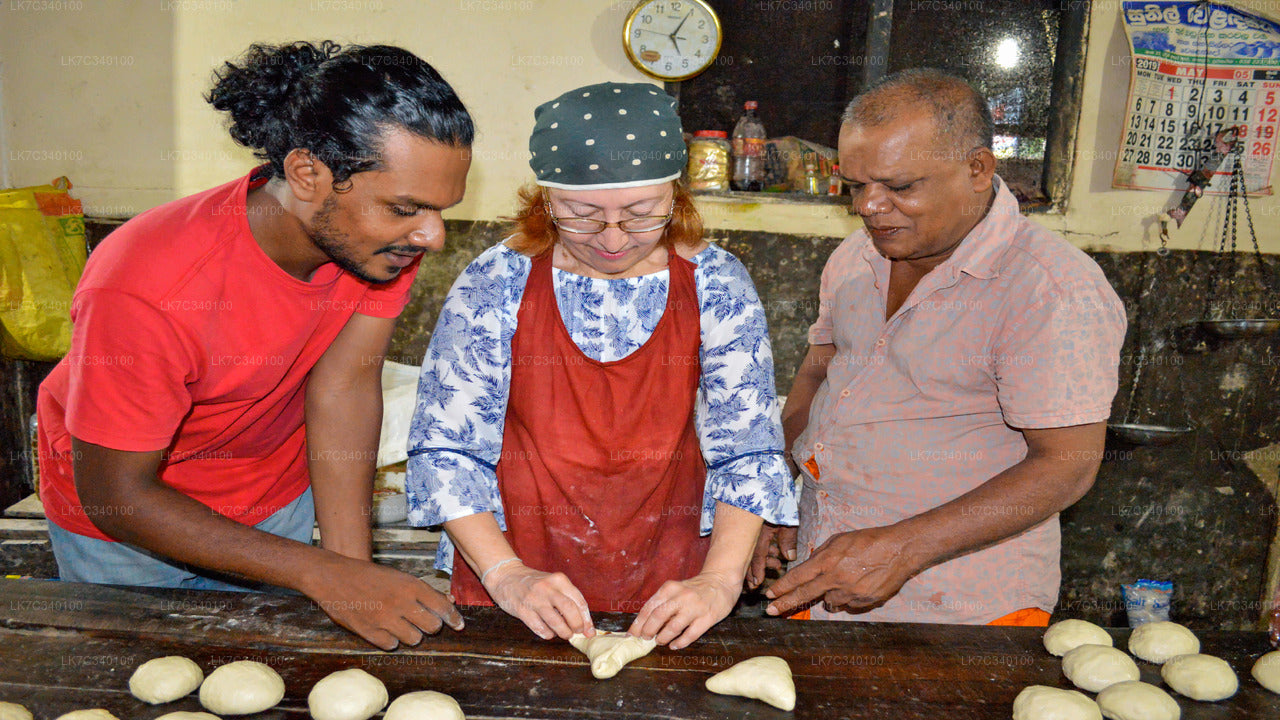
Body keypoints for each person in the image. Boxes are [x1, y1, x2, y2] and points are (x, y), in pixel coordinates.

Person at [36, 41, 473, 650]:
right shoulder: (147, 285)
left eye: (439, 210)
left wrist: (350, 571)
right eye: (406, 208)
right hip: (128, 533)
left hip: (271, 501)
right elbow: (117, 496)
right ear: (308, 175)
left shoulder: (378, 247)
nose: (432, 236)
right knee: (138, 674)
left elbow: (344, 388)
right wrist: (319, 572)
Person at [407, 82, 797, 650]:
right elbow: (447, 447)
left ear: (675, 196)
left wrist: (718, 580)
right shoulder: (498, 281)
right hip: (515, 571)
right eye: (582, 215)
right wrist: (506, 574)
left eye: (641, 214)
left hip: (671, 579)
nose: (613, 240)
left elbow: (747, 448)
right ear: (546, 201)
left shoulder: (716, 283)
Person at [751, 69, 1126, 626]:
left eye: (900, 187)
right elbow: (817, 375)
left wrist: (902, 549)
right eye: (855, 185)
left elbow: (1067, 466)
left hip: (964, 610)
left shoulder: (1050, 288)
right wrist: (774, 496)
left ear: (978, 169)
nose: (868, 207)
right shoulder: (856, 258)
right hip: (821, 574)